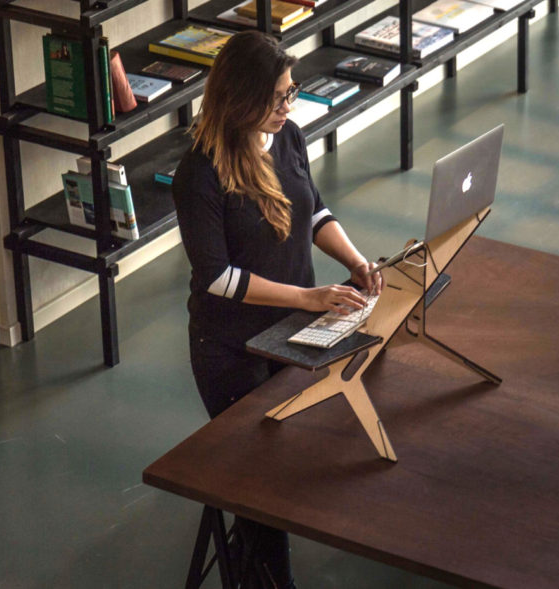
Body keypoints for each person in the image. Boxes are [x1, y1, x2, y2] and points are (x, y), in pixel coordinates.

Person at [171, 30, 382, 588]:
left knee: (289, 463)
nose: (290, 107)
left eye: (292, 92)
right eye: (279, 97)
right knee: (261, 489)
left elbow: (313, 211)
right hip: (230, 349)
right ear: (242, 99)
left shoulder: (286, 135)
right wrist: (310, 299)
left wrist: (356, 260)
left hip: (291, 331)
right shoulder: (199, 173)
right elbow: (216, 277)